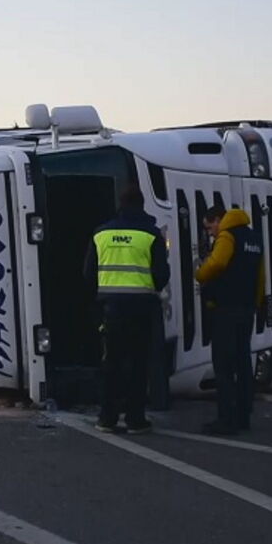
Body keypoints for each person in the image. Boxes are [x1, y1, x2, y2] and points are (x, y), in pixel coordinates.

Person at [84, 186, 170, 434]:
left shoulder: (101, 234)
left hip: (111, 308)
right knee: (138, 363)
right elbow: (161, 275)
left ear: (119, 205)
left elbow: (88, 274)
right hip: (141, 308)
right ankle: (135, 418)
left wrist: (100, 297)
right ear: (142, 205)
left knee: (111, 362)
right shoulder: (151, 235)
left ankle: (107, 417)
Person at [196, 205, 265, 435]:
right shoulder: (254, 237)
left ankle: (225, 419)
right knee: (244, 363)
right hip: (246, 310)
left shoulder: (227, 236)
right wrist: (255, 304)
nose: (211, 233)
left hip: (226, 309)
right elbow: (260, 275)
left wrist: (200, 274)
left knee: (223, 367)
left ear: (218, 220)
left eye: (210, 227)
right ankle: (243, 415)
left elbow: (217, 263)